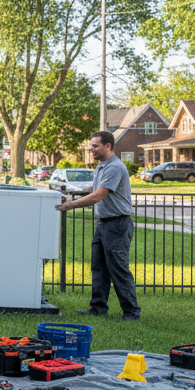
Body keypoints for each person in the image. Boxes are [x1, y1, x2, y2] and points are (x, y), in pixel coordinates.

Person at [55, 130, 140, 321]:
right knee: (99, 267)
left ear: (108, 146)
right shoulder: (102, 166)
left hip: (117, 224)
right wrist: (70, 196)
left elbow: (98, 195)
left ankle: (132, 312)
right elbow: (93, 190)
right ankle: (98, 307)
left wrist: (71, 205)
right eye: (91, 146)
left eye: (95, 146)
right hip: (104, 224)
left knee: (118, 268)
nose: (91, 149)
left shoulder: (114, 167)